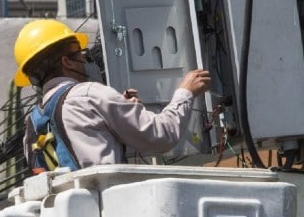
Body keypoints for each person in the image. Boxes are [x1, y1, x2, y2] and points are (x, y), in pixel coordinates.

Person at [13, 19, 212, 171]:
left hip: (65, 216)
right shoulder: (89, 94)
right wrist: (186, 92)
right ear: (67, 62)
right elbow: (160, 135)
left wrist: (117, 106)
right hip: (107, 209)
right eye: (81, 55)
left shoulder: (33, 122)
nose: (86, 60)